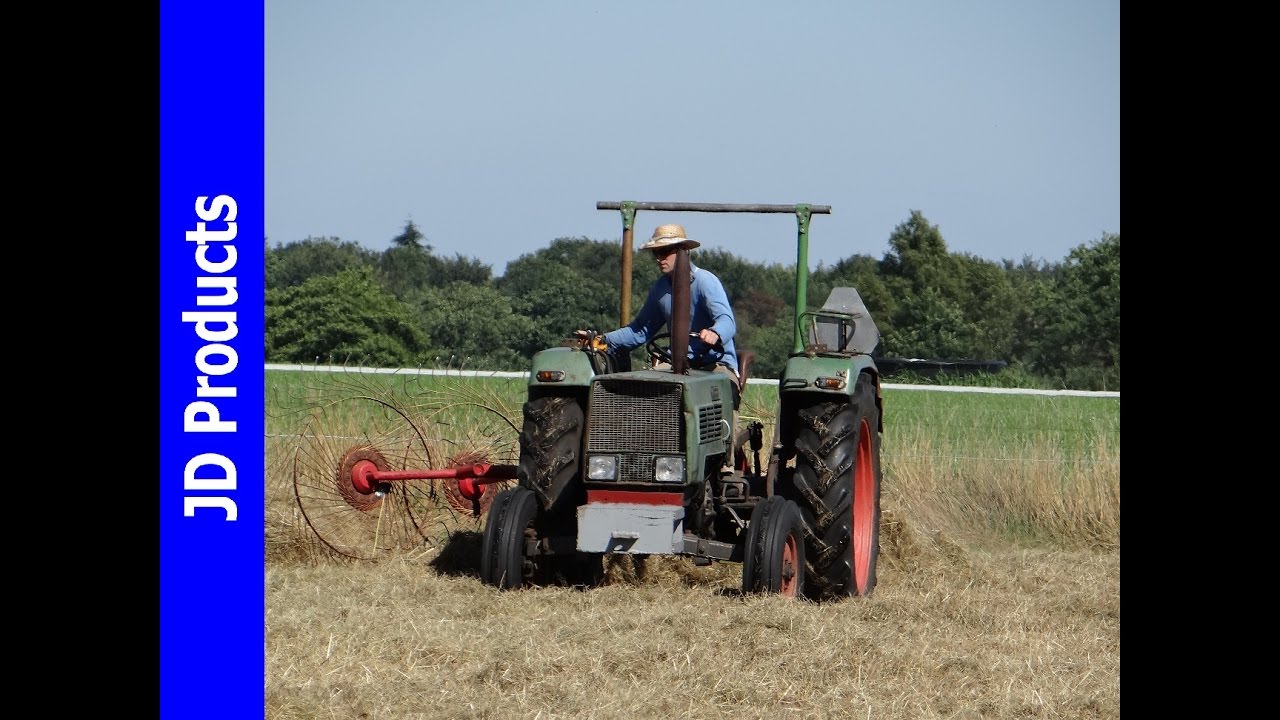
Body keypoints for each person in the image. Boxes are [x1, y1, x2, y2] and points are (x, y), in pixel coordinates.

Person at [599, 223, 741, 473]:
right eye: (657, 253)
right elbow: (640, 330)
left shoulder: (706, 282)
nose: (659, 259)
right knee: (645, 390)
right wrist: (602, 340)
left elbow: (727, 321)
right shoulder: (660, 290)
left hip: (713, 362)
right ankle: (643, 456)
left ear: (683, 252)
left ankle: (723, 463)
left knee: (722, 394)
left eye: (665, 253)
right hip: (678, 362)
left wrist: (715, 332)